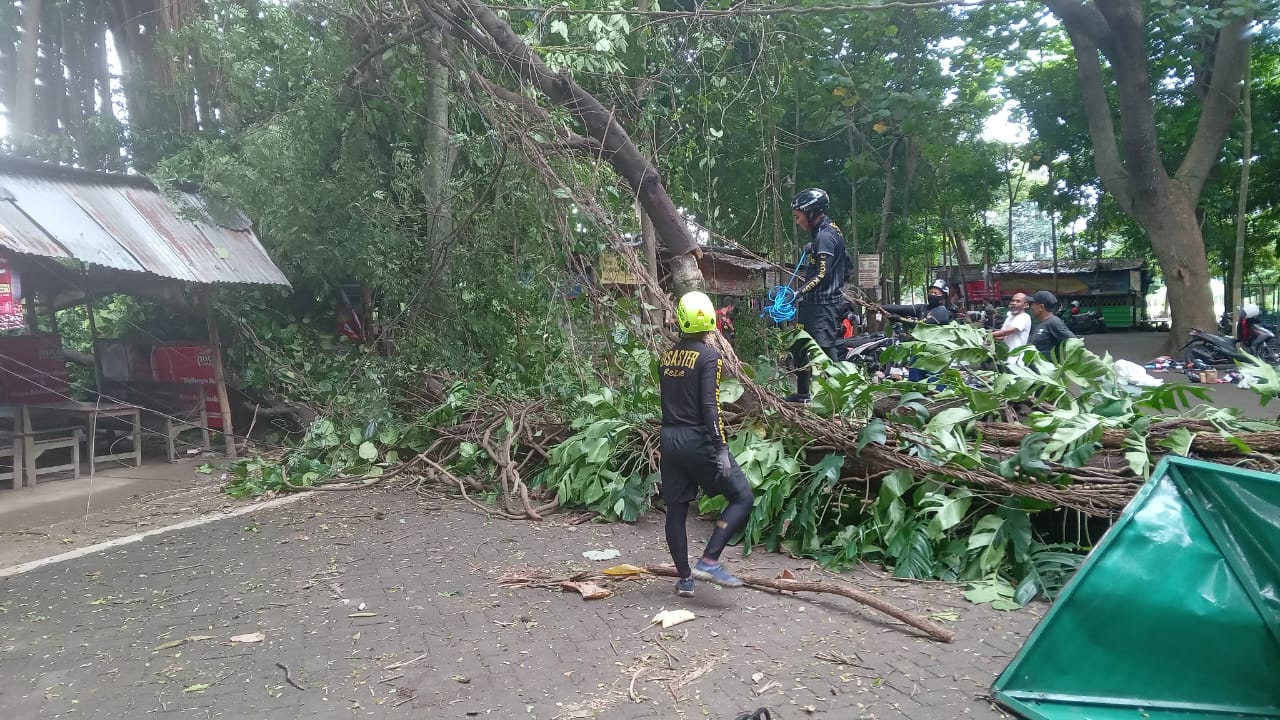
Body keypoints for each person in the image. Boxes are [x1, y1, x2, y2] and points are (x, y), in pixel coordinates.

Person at [659, 291, 755, 596]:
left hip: (669, 439)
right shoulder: (709, 357)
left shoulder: (666, 357)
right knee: (742, 497)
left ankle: (685, 578)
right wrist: (721, 448)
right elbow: (710, 406)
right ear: (711, 321)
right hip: (697, 439)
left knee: (676, 507)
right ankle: (710, 560)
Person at [785, 188, 849, 404]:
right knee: (799, 347)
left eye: (798, 216)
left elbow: (822, 273)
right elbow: (846, 262)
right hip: (812, 304)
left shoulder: (825, 236)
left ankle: (840, 397)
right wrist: (813, 248)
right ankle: (803, 393)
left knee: (825, 349)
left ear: (811, 212)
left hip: (823, 306)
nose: (797, 222)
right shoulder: (827, 231)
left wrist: (798, 292)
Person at [1027, 290, 1076, 361]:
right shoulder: (1040, 323)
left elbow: (1074, 343)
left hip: (1048, 370)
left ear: (1041, 307)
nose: (1030, 307)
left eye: (1032, 304)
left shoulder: (1054, 322)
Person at [883, 279, 956, 326]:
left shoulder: (942, 311)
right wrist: (880, 307)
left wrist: (900, 319)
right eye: (930, 292)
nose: (932, 295)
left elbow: (921, 324)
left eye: (936, 293)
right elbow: (902, 308)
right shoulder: (923, 308)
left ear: (943, 297)